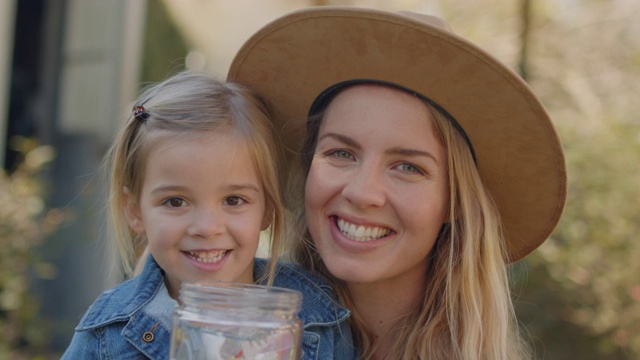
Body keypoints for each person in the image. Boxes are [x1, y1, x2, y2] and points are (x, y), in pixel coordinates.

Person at [228, 6, 567, 360]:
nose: (362, 193)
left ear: (453, 202)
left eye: (407, 166)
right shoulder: (232, 326)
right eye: (341, 153)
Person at [61, 72, 356, 359]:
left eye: (233, 200)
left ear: (267, 207)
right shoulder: (106, 336)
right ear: (135, 211)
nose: (207, 227)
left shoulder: (317, 316)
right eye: (175, 201)